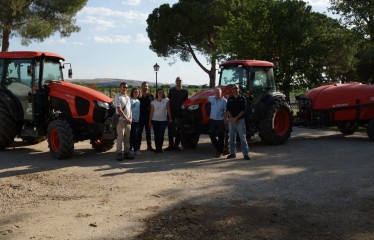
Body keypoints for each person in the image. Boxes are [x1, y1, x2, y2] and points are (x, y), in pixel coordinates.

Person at [225, 84, 250, 160]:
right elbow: (227, 110)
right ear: (231, 90)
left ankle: (245, 154)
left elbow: (243, 110)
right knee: (232, 138)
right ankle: (232, 153)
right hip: (231, 121)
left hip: (240, 121)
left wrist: (236, 118)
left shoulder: (242, 98)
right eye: (233, 89)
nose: (235, 90)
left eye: (236, 88)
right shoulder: (229, 99)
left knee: (243, 138)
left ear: (239, 89)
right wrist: (232, 119)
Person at [165, 77, 188, 151]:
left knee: (179, 130)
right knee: (170, 130)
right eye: (177, 80)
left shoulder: (185, 91)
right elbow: (169, 101)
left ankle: (176, 145)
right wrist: (168, 113)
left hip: (180, 114)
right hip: (171, 113)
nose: (179, 81)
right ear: (175, 82)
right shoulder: (172, 90)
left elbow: (185, 103)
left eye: (180, 80)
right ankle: (170, 145)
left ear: (182, 81)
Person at [114, 82, 134, 161]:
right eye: (123, 87)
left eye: (126, 87)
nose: (124, 88)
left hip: (128, 121)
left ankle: (126, 152)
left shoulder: (128, 98)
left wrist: (130, 118)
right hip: (121, 120)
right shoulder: (117, 97)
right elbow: (119, 110)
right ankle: (119, 153)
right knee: (120, 137)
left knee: (127, 138)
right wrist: (126, 118)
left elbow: (130, 109)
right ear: (120, 88)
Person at [149, 88, 171, 153]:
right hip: (155, 120)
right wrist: (149, 121)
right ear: (157, 93)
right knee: (156, 134)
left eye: (162, 92)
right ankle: (157, 148)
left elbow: (168, 109)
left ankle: (160, 148)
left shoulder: (166, 100)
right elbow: (151, 112)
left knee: (161, 134)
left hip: (163, 120)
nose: (161, 94)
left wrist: (170, 118)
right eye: (159, 92)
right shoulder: (153, 102)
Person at [208, 87, 227, 158]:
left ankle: (220, 152)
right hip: (213, 120)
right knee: (211, 134)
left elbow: (226, 112)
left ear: (221, 93)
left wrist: (225, 120)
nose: (217, 94)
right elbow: (205, 97)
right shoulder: (211, 98)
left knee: (221, 136)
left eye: (218, 92)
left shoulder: (224, 101)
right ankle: (220, 148)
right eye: (216, 92)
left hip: (221, 120)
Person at [138, 81, 155, 151]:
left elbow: (153, 107)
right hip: (140, 118)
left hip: (148, 117)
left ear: (148, 87)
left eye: (146, 86)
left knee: (149, 133)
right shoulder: (138, 96)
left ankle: (149, 146)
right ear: (141, 87)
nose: (145, 87)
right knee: (139, 133)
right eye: (144, 86)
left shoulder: (151, 96)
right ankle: (137, 147)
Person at [129, 87, 141, 155]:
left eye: (137, 92)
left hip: (137, 121)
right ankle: (130, 149)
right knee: (131, 135)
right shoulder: (130, 100)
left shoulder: (138, 101)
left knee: (135, 135)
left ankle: (136, 149)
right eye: (135, 92)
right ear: (132, 93)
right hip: (131, 120)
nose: (136, 93)